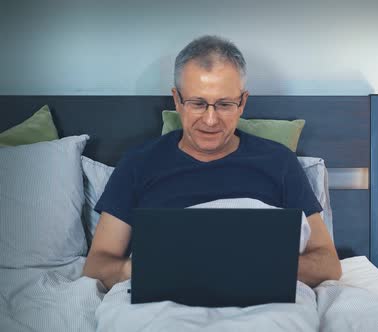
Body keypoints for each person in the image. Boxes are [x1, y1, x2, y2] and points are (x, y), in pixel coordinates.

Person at [82, 35, 342, 290]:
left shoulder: (280, 162)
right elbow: (97, 265)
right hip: (167, 299)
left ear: (242, 103)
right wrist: (153, 267)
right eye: (197, 103)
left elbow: (328, 264)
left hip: (259, 298)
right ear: (177, 100)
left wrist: (253, 265)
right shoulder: (138, 164)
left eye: (224, 104)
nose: (210, 120)